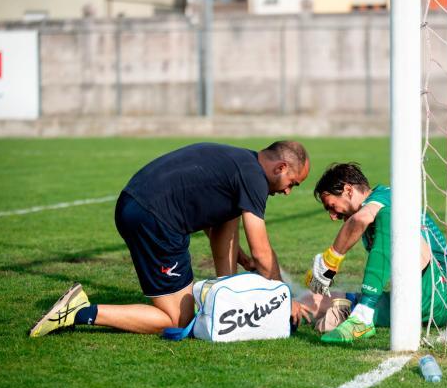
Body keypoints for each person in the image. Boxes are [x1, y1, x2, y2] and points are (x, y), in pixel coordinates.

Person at [30, 141, 312, 337]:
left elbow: (221, 230)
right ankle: (80, 312)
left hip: (133, 203)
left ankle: (220, 298)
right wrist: (283, 298)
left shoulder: (239, 162)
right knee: (178, 318)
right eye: (293, 184)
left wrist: (232, 280)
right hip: (155, 219)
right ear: (281, 167)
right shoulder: (254, 179)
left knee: (227, 221)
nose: (288, 191)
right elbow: (262, 251)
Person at [304, 163, 447, 344]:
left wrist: (330, 260)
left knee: (389, 217)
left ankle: (362, 315)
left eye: (331, 206)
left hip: (439, 296)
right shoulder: (373, 207)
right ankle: (287, 311)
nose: (332, 216)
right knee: (318, 301)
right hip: (410, 299)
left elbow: (360, 219)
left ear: (348, 190)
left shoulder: (384, 199)